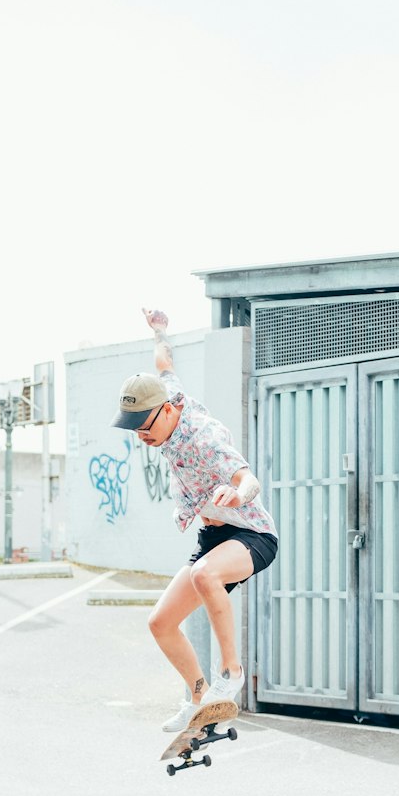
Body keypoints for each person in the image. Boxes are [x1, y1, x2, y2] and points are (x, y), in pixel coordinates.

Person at [111, 308, 278, 731]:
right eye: (133, 428)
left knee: (206, 576)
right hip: (212, 537)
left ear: (167, 411)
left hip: (252, 534)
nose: (141, 436)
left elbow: (249, 479)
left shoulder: (205, 436)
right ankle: (201, 699)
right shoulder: (165, 393)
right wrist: (160, 330)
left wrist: (237, 492)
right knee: (161, 622)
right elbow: (164, 363)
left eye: (144, 426)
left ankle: (231, 677)